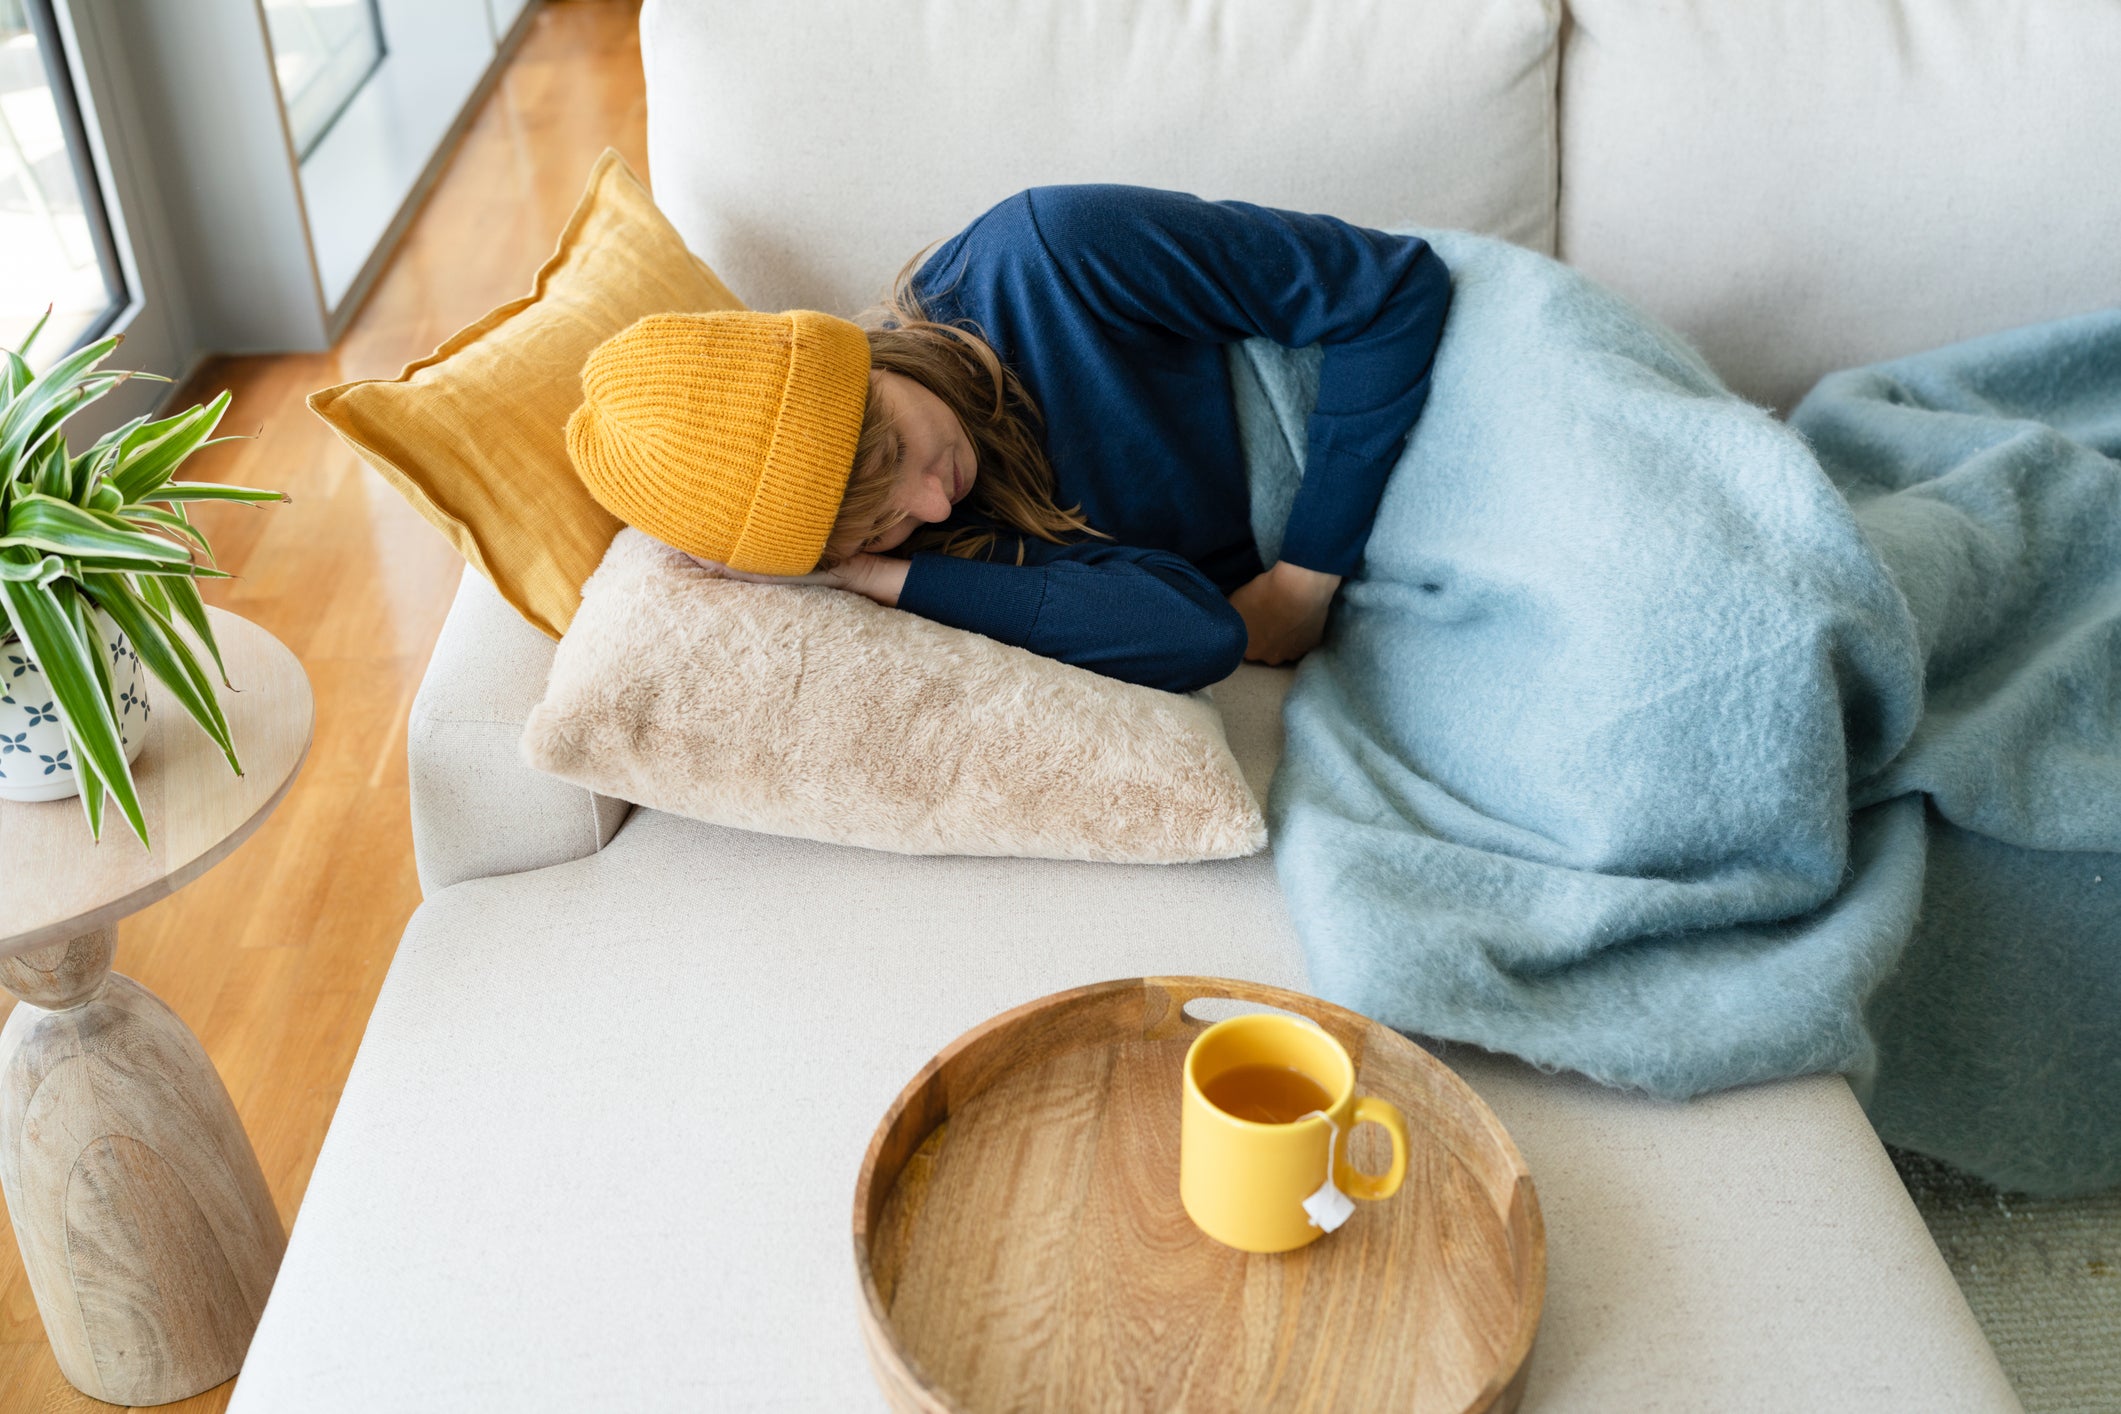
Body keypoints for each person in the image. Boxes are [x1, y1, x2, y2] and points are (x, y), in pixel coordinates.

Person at [565, 184, 1452, 694]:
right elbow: (1199, 632)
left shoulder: (1051, 255)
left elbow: (1395, 289)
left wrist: (1305, 575)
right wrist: (872, 573)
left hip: (1423, 377)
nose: (931, 499)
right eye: (873, 527)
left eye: (892, 454)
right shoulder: (937, 538)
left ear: (862, 366)